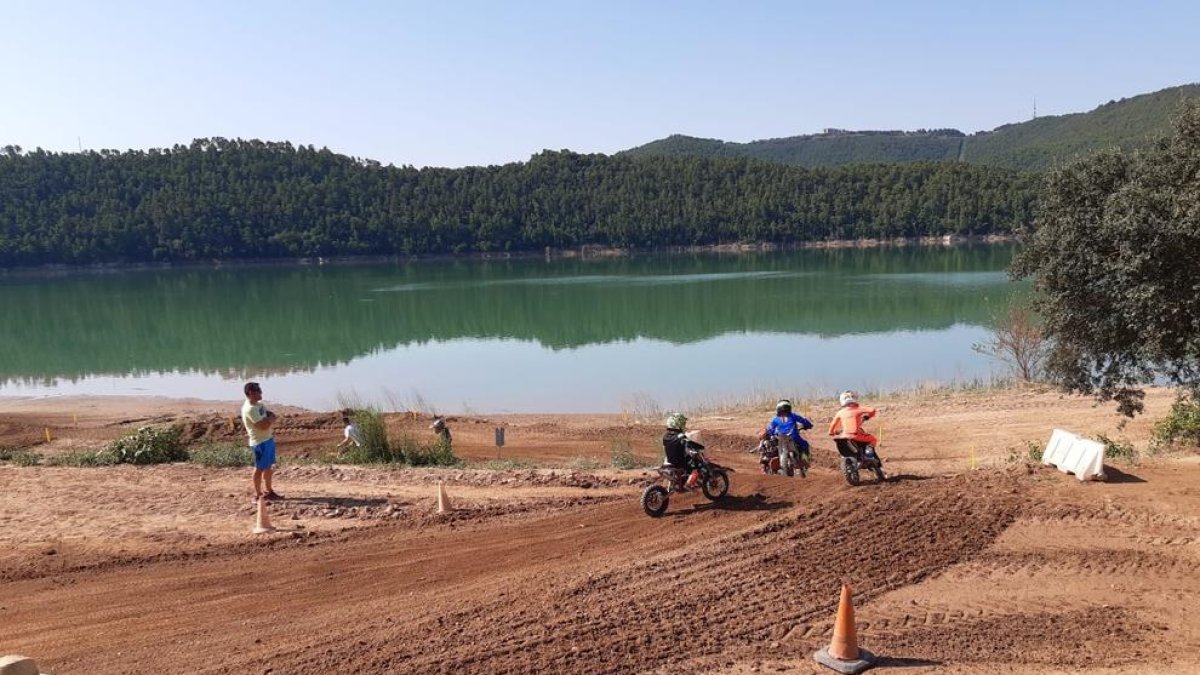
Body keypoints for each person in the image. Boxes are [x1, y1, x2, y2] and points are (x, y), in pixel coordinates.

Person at [241, 381, 282, 502]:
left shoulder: (259, 405)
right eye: (258, 390)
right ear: (251, 393)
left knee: (268, 467)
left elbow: (269, 415)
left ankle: (269, 491)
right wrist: (271, 419)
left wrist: (269, 419)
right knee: (259, 468)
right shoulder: (250, 409)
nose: (261, 392)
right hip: (259, 443)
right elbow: (263, 425)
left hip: (268, 439)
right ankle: (258, 494)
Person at [762, 399, 814, 476]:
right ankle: (804, 460)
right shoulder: (793, 416)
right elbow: (805, 421)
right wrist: (808, 425)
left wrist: (770, 434)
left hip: (779, 438)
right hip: (793, 437)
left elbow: (770, 430)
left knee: (772, 447)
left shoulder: (775, 419)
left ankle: (769, 464)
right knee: (805, 444)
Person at [662, 412, 700, 490]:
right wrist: (695, 450)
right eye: (683, 423)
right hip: (680, 462)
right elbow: (688, 445)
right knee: (696, 467)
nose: (684, 425)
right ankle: (688, 485)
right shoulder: (681, 436)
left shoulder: (665, 436)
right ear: (678, 424)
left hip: (669, 460)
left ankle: (681, 480)